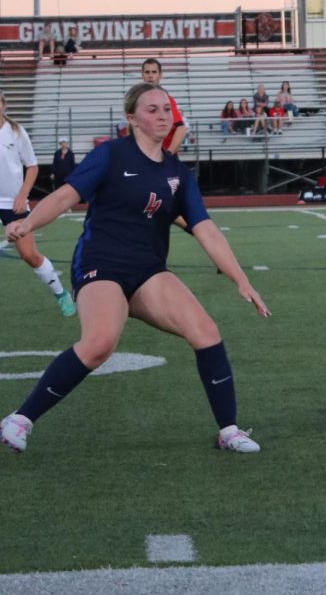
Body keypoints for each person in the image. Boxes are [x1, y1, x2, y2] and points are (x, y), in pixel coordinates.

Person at [0, 82, 269, 456]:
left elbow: (204, 228)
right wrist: (28, 223)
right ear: (132, 119)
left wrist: (242, 279)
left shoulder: (178, 173)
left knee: (206, 331)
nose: (163, 116)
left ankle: (229, 430)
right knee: (99, 343)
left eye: (166, 109)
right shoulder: (110, 154)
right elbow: (66, 195)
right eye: (152, 110)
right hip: (101, 263)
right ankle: (19, 419)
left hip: (148, 270)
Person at [0, 92, 76, 317]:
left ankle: (61, 293)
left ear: (3, 105)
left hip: (12, 202)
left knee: (30, 255)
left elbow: (32, 167)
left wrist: (22, 196)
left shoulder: (15, 131)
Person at [141, 59, 187, 157]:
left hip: (164, 158)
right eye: (147, 72)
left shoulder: (167, 100)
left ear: (160, 75)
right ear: (142, 75)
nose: (150, 75)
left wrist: (168, 154)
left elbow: (181, 128)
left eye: (154, 72)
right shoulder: (137, 101)